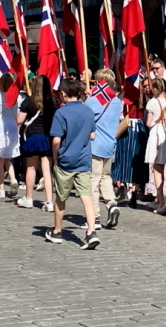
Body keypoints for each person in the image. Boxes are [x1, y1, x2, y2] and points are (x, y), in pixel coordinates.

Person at [45, 77, 100, 249]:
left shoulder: (60, 113)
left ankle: (57, 230)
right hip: (83, 160)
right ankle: (91, 231)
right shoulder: (88, 111)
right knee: (86, 196)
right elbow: (92, 136)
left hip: (65, 160)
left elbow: (55, 140)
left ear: (63, 94)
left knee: (61, 197)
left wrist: (55, 157)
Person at [86, 69, 125, 228]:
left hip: (95, 145)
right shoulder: (117, 102)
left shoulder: (93, 100)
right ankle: (111, 203)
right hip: (110, 144)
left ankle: (94, 217)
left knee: (93, 181)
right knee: (105, 177)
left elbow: (86, 119)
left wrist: (88, 99)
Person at [18, 74, 56, 212]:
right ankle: (49, 201)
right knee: (47, 171)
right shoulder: (52, 101)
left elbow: (19, 120)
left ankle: (28, 198)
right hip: (47, 137)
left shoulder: (29, 101)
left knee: (31, 168)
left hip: (33, 136)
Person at [0, 72, 24, 198]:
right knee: (8, 157)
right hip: (12, 124)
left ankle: (1, 188)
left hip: (1, 124)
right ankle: (13, 179)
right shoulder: (17, 97)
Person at [143, 78, 166, 214]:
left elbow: (148, 123)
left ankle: (161, 203)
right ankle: (158, 201)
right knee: (161, 167)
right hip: (164, 134)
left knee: (156, 169)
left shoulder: (153, 102)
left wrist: (154, 120)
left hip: (155, 134)